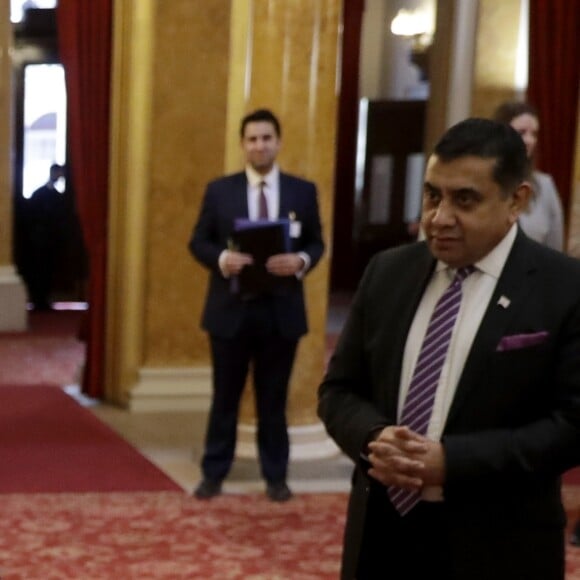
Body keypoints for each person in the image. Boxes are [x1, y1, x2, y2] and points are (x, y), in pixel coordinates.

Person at [318, 118, 580, 579]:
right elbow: (338, 391)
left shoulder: (564, 288)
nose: (439, 217)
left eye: (464, 200)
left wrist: (453, 462)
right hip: (383, 534)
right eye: (432, 195)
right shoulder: (387, 273)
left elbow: (573, 425)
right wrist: (374, 437)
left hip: (499, 544)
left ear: (516, 201)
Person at [189, 108, 325, 502]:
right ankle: (213, 473)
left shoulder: (303, 191)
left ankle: (276, 478)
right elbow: (198, 241)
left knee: (273, 400)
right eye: (252, 139)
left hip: (280, 312)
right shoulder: (220, 190)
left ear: (278, 142)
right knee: (225, 398)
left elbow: (316, 243)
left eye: (267, 138)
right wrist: (221, 261)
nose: (260, 145)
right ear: (242, 145)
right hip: (230, 311)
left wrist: (300, 262)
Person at [493, 100, 565, 251]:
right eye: (522, 132)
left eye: (534, 134)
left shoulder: (545, 186)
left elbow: (555, 251)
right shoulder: (483, 181)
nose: (529, 140)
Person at [22, 163, 67, 310]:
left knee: (48, 270)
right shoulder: (40, 194)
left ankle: (43, 299)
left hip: (50, 240)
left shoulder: (56, 195)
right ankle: (38, 300)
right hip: (39, 240)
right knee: (39, 270)